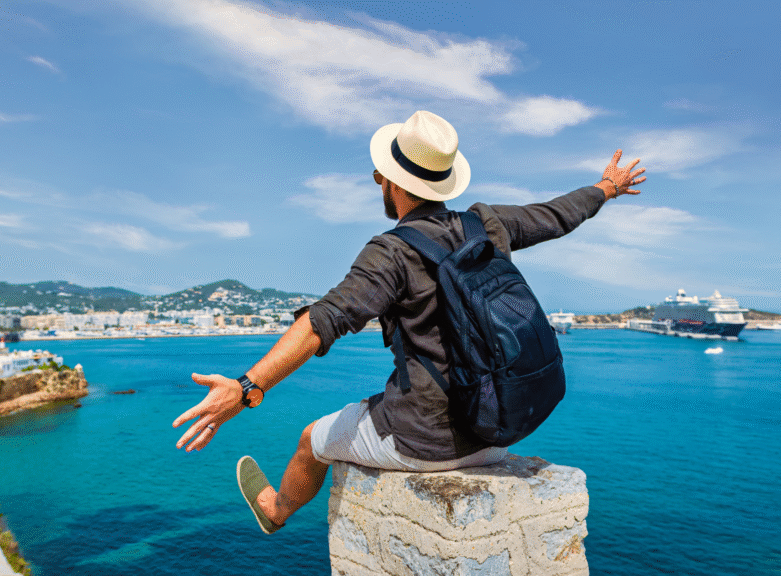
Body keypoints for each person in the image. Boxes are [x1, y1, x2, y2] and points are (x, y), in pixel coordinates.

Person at [173, 110, 646, 534]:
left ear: (392, 182)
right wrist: (607, 188)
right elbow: (557, 215)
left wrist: (246, 387)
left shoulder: (392, 252)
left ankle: (275, 511)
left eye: (381, 176)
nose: (378, 181)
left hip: (426, 441)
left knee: (310, 441)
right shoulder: (486, 224)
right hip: (500, 429)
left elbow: (323, 321)